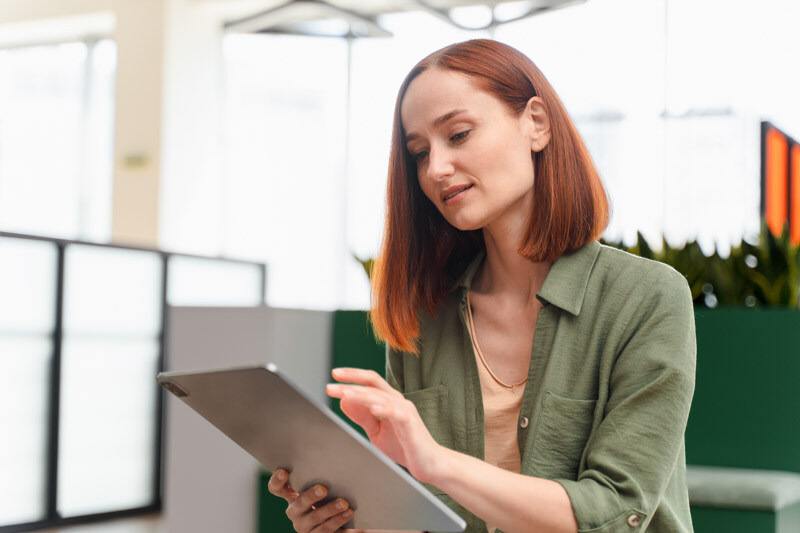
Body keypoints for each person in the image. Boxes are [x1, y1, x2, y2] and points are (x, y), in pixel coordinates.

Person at [268, 39, 696, 533]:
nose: (436, 169)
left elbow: (619, 514)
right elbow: (426, 518)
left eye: (459, 134)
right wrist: (351, 521)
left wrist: (435, 463)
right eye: (420, 152)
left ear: (536, 123)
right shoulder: (425, 316)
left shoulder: (647, 297)